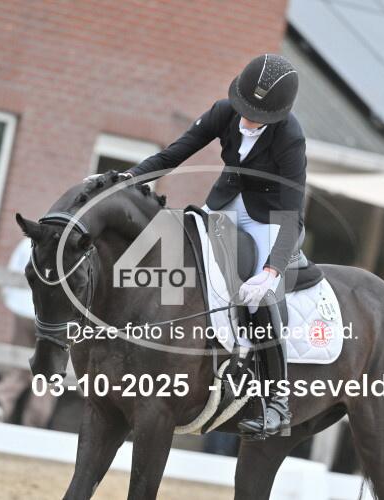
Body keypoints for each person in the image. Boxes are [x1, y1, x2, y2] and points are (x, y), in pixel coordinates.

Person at [125, 54, 305, 437]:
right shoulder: (224, 111)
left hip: (269, 217)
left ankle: (278, 401)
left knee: (261, 296)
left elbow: (293, 211)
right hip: (223, 205)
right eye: (244, 109)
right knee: (177, 251)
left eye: (256, 116)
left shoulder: (290, 135)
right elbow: (173, 155)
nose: (246, 119)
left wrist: (272, 270)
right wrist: (126, 180)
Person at [0, 239, 56, 427]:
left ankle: (0, 401)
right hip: (52, 317)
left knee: (20, 364)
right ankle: (35, 420)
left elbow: (12, 271)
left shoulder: (28, 242)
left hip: (22, 309)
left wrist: (11, 299)